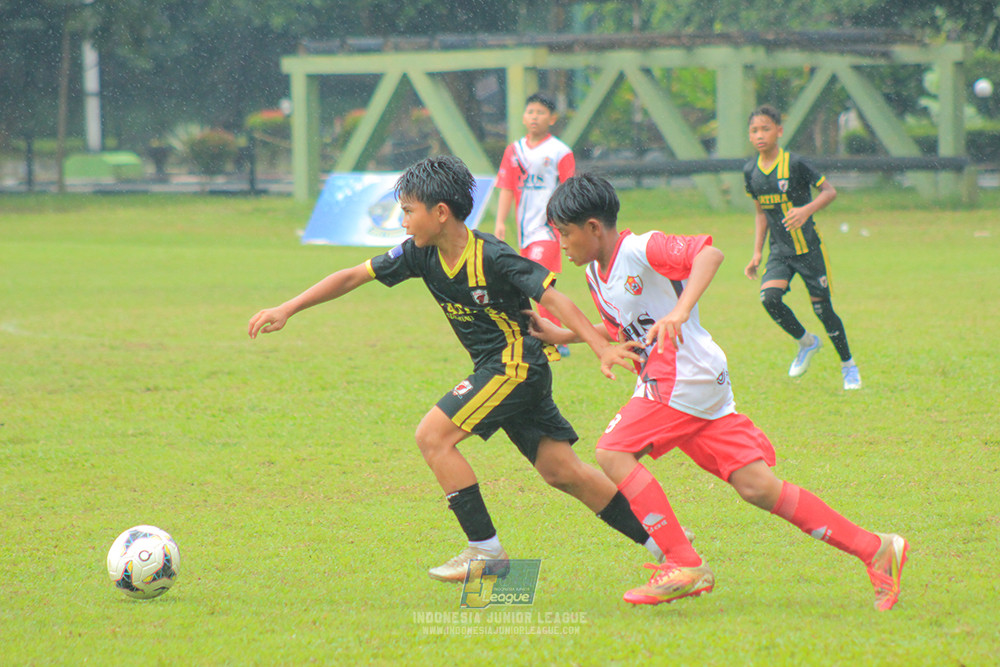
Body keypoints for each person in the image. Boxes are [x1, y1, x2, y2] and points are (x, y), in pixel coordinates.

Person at [249, 155, 670, 585]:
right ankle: (667, 545)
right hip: (503, 368)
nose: (403, 219)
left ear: (441, 213)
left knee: (433, 436)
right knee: (563, 472)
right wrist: (289, 307)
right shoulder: (419, 254)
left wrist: (599, 345)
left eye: (409, 210)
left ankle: (487, 553)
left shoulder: (493, 256)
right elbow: (353, 276)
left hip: (515, 365)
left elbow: (555, 300)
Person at [530, 173, 908, 610]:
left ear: (593, 227)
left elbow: (710, 253)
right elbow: (624, 326)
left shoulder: (640, 248)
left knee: (612, 452)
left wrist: (681, 310)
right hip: (689, 380)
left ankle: (683, 562)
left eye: (565, 233)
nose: (561, 244)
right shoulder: (597, 274)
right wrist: (560, 335)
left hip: (683, 375)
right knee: (758, 487)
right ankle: (876, 548)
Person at [743, 104, 861, 390]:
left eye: (766, 129)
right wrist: (757, 251)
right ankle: (806, 342)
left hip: (808, 250)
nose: (760, 135)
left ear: (779, 131)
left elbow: (829, 192)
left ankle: (849, 366)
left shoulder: (795, 164)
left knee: (824, 310)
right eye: (754, 131)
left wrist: (806, 210)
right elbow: (761, 213)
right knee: (769, 298)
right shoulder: (750, 171)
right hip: (780, 252)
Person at [494, 92, 575, 354]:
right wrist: (499, 222)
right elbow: (506, 187)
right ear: (523, 116)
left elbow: (569, 188)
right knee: (530, 283)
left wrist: (567, 224)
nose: (534, 117)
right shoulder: (513, 151)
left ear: (552, 118)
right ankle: (547, 333)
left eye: (540, 113)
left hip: (548, 230)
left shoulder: (560, 151)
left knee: (539, 281)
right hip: (525, 232)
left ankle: (556, 337)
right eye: (530, 112)